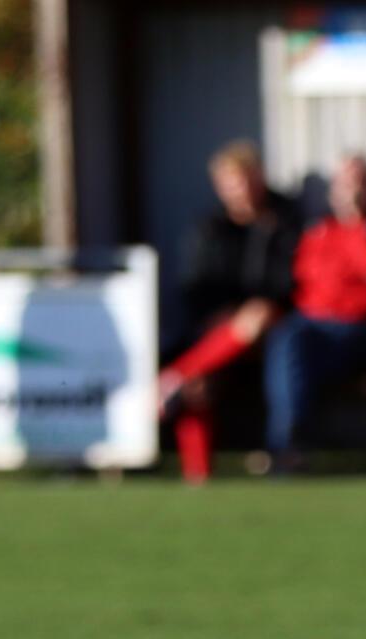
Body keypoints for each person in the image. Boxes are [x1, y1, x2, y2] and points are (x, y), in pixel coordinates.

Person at [159, 140, 302, 483]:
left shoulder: (285, 222)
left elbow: (290, 282)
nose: (241, 193)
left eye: (247, 182)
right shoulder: (209, 229)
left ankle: (170, 378)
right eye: (231, 186)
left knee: (256, 316)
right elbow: (196, 286)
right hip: (222, 335)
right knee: (198, 385)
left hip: (274, 328)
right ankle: (199, 478)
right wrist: (219, 314)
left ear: (260, 178)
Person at [263, 154, 366, 471]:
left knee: (294, 351)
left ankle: (287, 446)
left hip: (362, 330)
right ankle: (289, 444)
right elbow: (308, 285)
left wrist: (356, 222)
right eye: (346, 183)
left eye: (360, 183)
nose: (352, 191)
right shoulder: (318, 233)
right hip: (313, 326)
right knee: (286, 341)